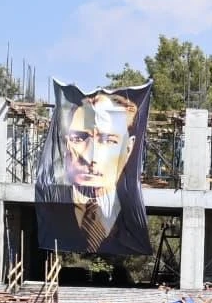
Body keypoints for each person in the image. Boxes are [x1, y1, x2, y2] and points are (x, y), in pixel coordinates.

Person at [49, 89, 142, 253]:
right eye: (78, 138)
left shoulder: (130, 215)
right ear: (65, 144)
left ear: (128, 148)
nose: (90, 157)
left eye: (107, 140)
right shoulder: (52, 209)